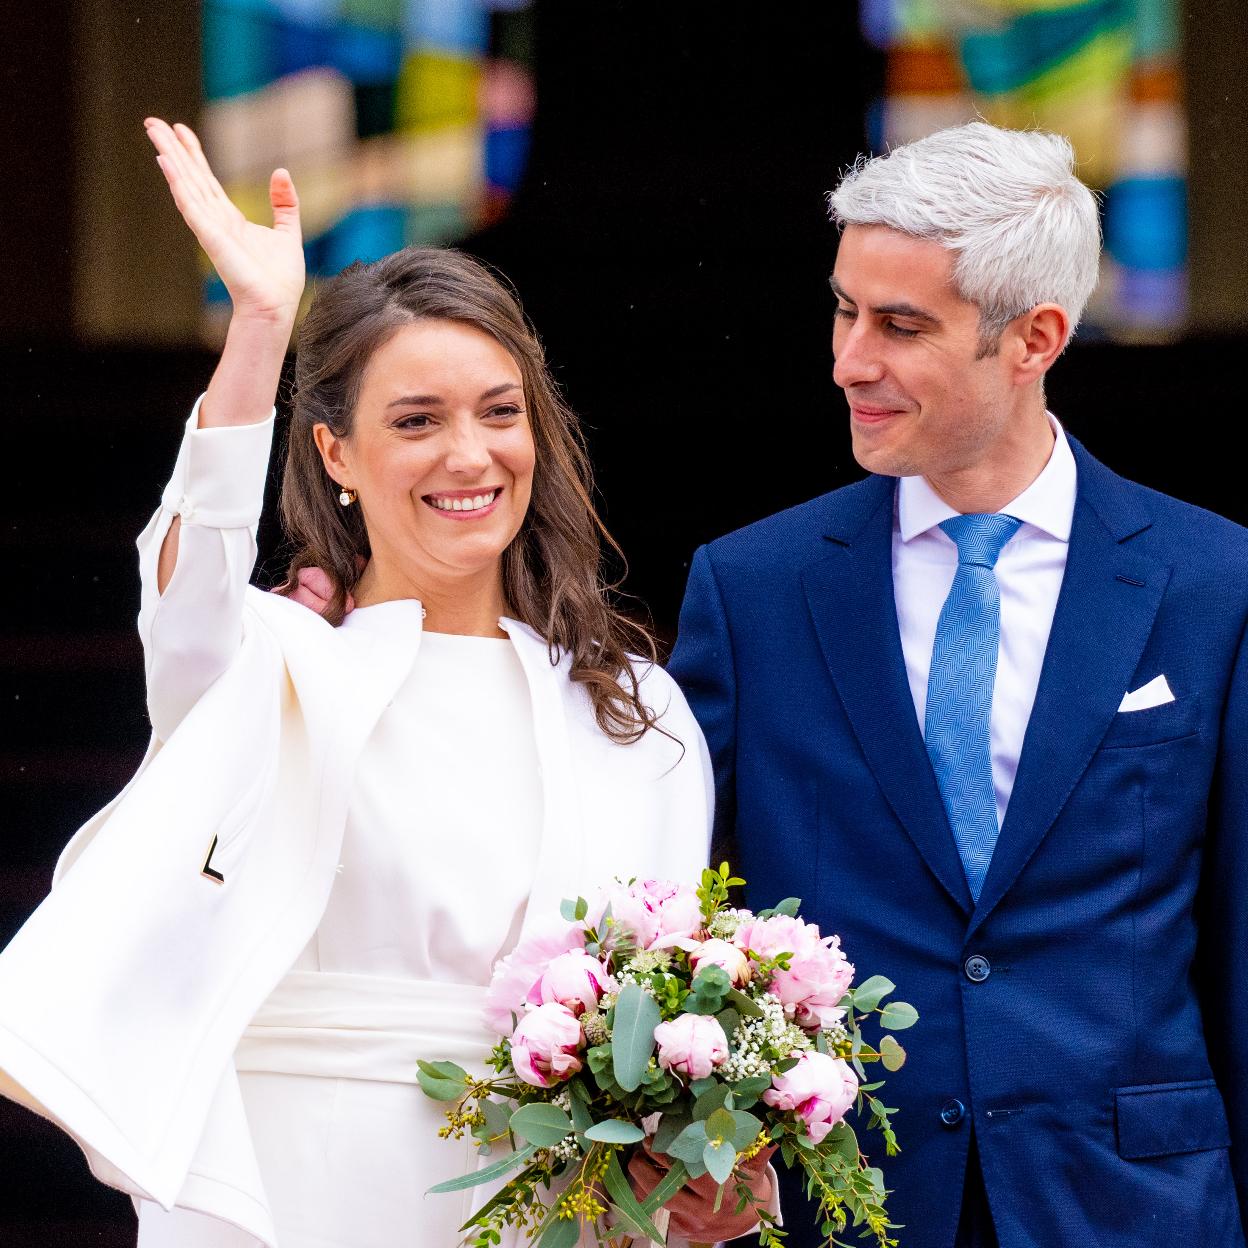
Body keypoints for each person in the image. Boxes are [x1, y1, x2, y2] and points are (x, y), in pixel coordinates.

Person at [0, 119, 770, 1247]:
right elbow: (191, 581)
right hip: (296, 1177)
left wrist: (700, 1166)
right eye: (416, 422)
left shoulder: (637, 713)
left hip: (542, 1199)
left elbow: (651, 1016)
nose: (470, 456)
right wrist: (262, 329)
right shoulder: (273, 664)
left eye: (499, 412)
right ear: (335, 458)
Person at [669, 121, 1248, 1248]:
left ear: (1034, 338)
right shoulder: (751, 588)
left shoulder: (1215, 584)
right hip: (846, 1207)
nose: (848, 360)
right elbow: (685, 898)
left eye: (900, 326)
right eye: (844, 309)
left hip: (1136, 1208)